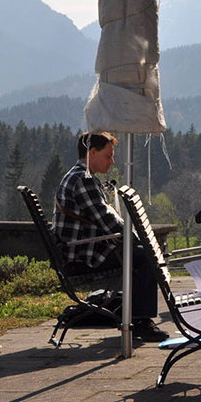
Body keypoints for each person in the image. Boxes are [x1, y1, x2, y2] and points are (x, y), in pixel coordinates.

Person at [53, 132, 168, 342]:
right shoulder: (83, 180)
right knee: (145, 257)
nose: (112, 161)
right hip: (84, 255)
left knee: (140, 253)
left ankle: (135, 316)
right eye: (108, 156)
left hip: (82, 248)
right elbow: (108, 221)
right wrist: (141, 238)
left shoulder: (78, 175)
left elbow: (104, 221)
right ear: (92, 153)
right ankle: (141, 322)